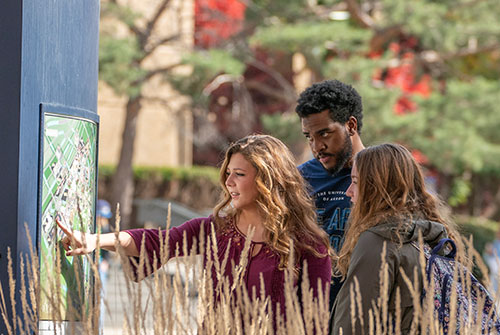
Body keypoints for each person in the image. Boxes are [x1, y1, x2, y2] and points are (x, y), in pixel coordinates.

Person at [57, 134, 332, 320]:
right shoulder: (216, 230)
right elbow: (158, 241)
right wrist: (95, 240)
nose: (229, 182)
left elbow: (316, 320)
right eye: (227, 174)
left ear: (268, 181)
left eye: (239, 174)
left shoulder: (308, 244)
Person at [330, 143, 461, 334]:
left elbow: (353, 324)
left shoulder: (378, 242)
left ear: (376, 189)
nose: (349, 191)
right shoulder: (432, 236)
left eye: (356, 182)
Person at [295, 79, 365, 305]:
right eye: (309, 137)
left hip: (366, 315)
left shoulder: (383, 174)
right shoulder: (298, 179)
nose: (316, 147)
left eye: (324, 134)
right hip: (308, 316)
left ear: (351, 125)